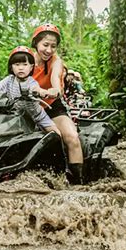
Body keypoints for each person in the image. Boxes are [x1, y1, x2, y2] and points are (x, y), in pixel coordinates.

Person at [30, 23, 84, 184]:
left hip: (52, 107)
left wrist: (54, 90)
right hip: (29, 108)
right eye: (45, 45)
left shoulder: (56, 62)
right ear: (36, 44)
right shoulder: (26, 60)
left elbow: (56, 82)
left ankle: (77, 183)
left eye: (53, 46)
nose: (49, 50)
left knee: (72, 138)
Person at [0, 46, 60, 135]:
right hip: (15, 117)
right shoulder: (9, 80)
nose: (21, 68)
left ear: (31, 67)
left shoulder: (31, 82)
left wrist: (44, 92)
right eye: (17, 64)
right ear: (11, 67)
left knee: (56, 134)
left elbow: (36, 89)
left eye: (25, 64)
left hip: (36, 116)